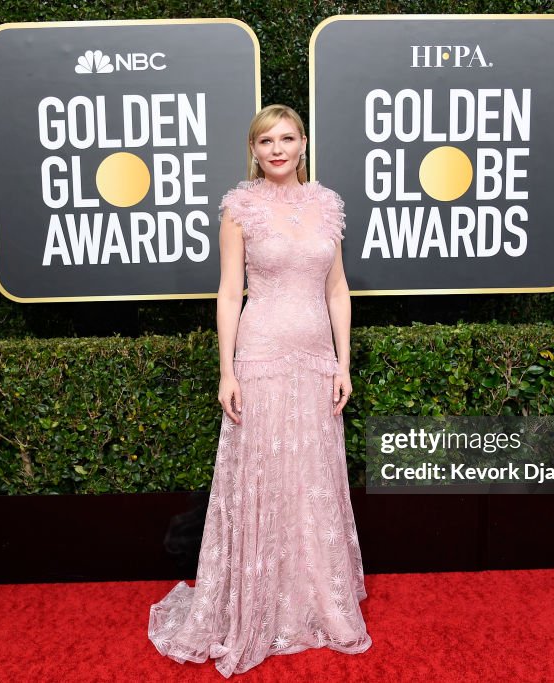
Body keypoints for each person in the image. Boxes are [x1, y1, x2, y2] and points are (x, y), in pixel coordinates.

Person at [148, 104, 371, 677]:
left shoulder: (327, 205)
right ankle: (256, 606)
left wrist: (343, 363)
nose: (277, 148)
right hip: (262, 355)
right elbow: (228, 293)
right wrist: (227, 371)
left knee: (312, 479)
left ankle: (314, 600)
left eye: (287, 138)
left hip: (316, 358)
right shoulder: (238, 208)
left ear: (303, 144)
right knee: (262, 478)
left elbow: (338, 288)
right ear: (253, 149)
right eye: (265, 140)